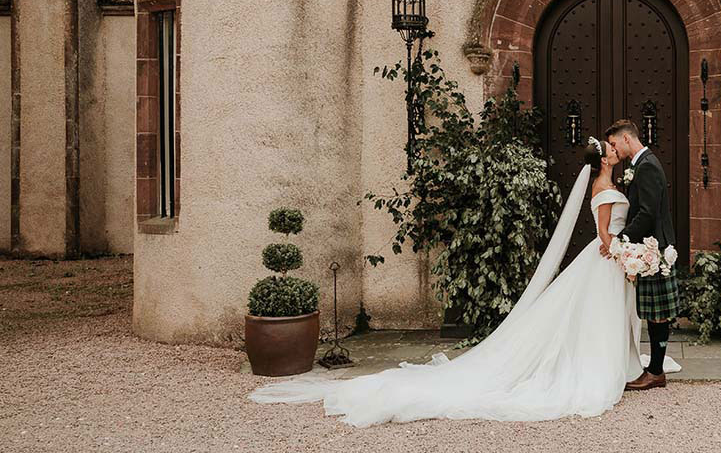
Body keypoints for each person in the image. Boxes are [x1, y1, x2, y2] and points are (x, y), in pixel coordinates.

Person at [249, 136, 677, 425]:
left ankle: (620, 363)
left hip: (611, 261)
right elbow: (604, 234)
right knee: (595, 316)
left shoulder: (613, 180)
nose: (617, 154)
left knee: (598, 317)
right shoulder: (605, 186)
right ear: (605, 158)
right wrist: (619, 246)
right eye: (613, 151)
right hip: (605, 258)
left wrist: (625, 249)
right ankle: (605, 367)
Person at [604, 118, 679, 390]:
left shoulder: (646, 166)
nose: (615, 150)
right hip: (653, 244)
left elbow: (647, 213)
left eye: (615, 144)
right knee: (654, 310)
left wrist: (621, 239)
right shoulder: (643, 165)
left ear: (627, 139)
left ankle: (656, 372)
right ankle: (655, 369)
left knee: (658, 311)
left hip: (654, 246)